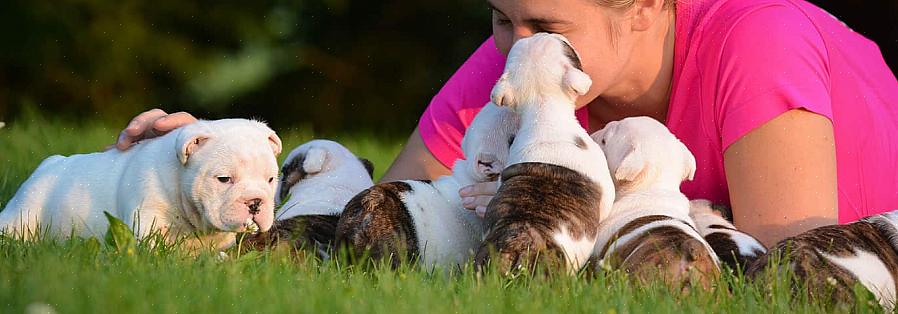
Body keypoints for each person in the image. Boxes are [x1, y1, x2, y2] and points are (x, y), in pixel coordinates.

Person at [115, 0, 898, 246]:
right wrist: (206, 159)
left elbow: (798, 278)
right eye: (500, 18)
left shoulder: (755, 40)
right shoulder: (525, 56)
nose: (514, 47)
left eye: (542, 19)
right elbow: (391, 213)